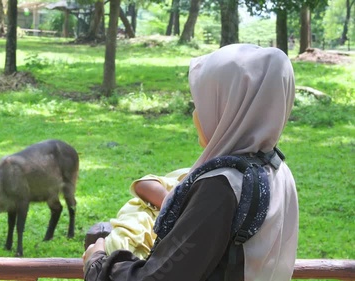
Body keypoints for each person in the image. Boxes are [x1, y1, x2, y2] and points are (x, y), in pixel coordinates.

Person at [82, 44, 299, 281]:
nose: (196, 114)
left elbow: (159, 277)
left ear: (230, 108)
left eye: (203, 102)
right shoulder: (277, 169)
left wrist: (98, 262)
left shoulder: (222, 186)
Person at [104, 168, 190, 259]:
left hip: (158, 252)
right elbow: (143, 186)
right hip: (136, 229)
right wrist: (176, 209)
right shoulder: (190, 179)